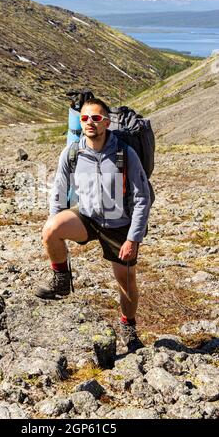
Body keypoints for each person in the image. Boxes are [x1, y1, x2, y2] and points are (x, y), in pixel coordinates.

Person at [35, 98, 151, 352]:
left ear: (107, 123)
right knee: (51, 230)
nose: (89, 123)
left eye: (96, 118)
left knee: (126, 280)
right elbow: (59, 189)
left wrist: (134, 238)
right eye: (84, 118)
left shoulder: (124, 153)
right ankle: (61, 280)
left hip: (119, 223)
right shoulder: (73, 152)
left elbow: (143, 197)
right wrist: (55, 216)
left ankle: (129, 328)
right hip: (87, 217)